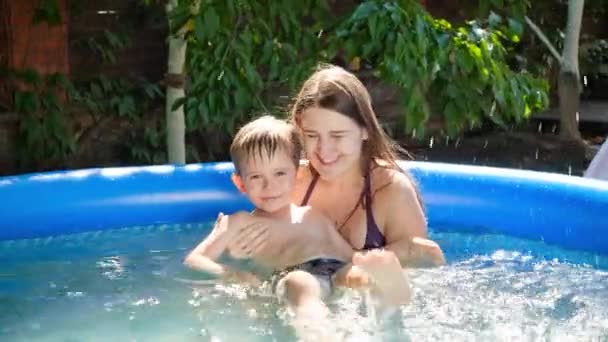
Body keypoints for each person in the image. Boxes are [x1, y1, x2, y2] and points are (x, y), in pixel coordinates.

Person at [184, 115, 411, 340]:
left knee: (363, 276)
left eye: (280, 173)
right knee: (300, 283)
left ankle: (389, 301)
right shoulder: (240, 222)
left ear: (296, 173)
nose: (269, 185)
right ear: (240, 183)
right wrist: (233, 274)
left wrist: (368, 264)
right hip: (292, 275)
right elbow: (195, 261)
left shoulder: (312, 215)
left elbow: (350, 256)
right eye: (256, 177)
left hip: (335, 269)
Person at [228, 64, 445, 282]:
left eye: (338, 136)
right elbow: (267, 259)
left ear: (365, 130)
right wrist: (243, 250)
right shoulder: (291, 181)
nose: (325, 150)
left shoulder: (390, 190)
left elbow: (419, 277)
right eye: (312, 135)